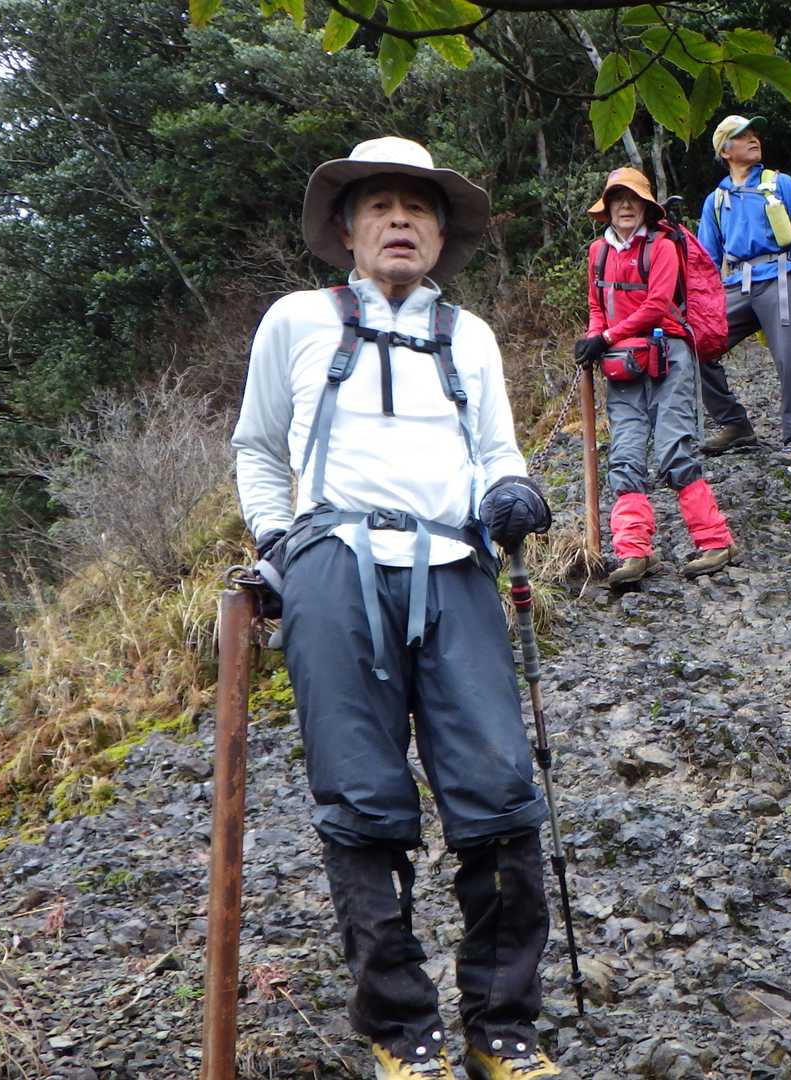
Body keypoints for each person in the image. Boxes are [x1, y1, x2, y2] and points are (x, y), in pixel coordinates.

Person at [231, 136, 563, 1080]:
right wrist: (279, 543)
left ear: (442, 233)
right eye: (379, 206)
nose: (400, 221)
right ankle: (402, 1029)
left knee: (500, 791)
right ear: (346, 229)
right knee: (362, 799)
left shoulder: (471, 335)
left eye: (418, 208)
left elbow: (496, 451)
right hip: (332, 564)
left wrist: (512, 492)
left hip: (455, 561)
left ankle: (502, 1029)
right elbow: (258, 446)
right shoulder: (296, 321)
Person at [574, 166, 738, 586]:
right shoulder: (598, 253)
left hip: (668, 357)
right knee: (625, 455)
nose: (625, 206)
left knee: (674, 450)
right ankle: (633, 552)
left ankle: (715, 541)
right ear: (608, 208)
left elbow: (657, 305)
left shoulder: (662, 248)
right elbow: (597, 306)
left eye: (633, 199)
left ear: (647, 207)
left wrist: (605, 337)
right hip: (622, 364)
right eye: (617, 199)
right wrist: (594, 336)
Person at [694, 114, 791, 466]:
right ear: (725, 151)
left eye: (754, 133)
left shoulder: (780, 184)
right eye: (742, 135)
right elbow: (705, 262)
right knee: (693, 344)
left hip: (781, 276)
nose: (753, 139)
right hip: (736, 285)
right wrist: (697, 301)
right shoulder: (716, 201)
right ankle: (734, 423)